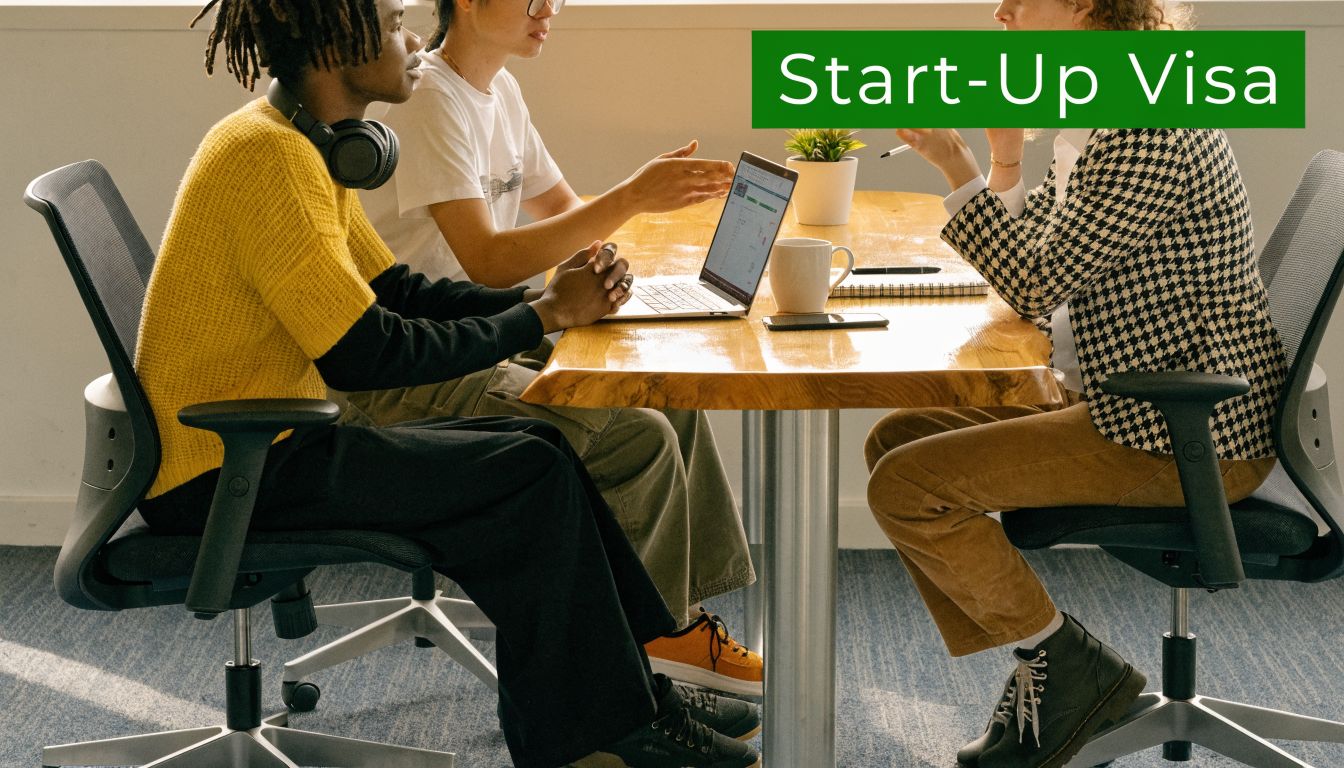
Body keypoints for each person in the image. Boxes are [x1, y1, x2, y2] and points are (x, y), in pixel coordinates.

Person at [135, 2, 761, 766]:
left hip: (274, 441)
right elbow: (367, 354)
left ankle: (627, 704)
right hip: (236, 464)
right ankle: (603, 735)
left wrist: (544, 306)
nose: (410, 40)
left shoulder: (305, 146)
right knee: (527, 474)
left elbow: (397, 290)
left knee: (535, 449)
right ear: (337, 39)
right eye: (395, 20)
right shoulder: (267, 157)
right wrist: (537, 318)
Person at [864, 0, 1288, 766]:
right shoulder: (1107, 107)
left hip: (1178, 434)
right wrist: (1003, 165)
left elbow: (1033, 281)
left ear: (1085, 4)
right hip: (1136, 405)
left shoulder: (1144, 128)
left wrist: (956, 167)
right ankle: (1046, 665)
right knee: (900, 438)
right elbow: (1047, 257)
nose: (1001, 12)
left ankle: (1065, 664)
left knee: (906, 485)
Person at [353, 0, 763, 696]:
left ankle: (679, 622)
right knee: (634, 433)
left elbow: (567, 219)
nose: (550, 9)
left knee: (658, 385)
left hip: (482, 334)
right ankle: (655, 643)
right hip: (424, 360)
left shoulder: (499, 92)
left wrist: (628, 261)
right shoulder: (428, 105)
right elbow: (486, 260)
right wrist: (630, 197)